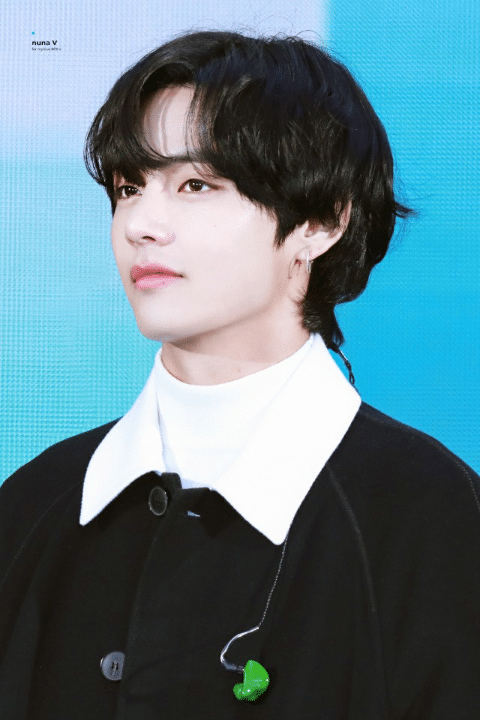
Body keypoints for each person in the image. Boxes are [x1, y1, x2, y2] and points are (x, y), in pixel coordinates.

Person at [1, 29, 479, 720]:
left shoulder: (428, 518)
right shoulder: (34, 505)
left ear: (320, 221)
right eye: (130, 187)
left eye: (196, 185)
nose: (141, 224)